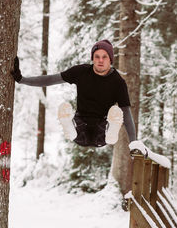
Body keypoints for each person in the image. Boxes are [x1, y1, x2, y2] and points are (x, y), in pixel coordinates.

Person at [11, 39, 146, 151]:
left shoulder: (118, 82)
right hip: (81, 127)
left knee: (115, 113)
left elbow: (126, 113)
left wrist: (133, 142)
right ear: (92, 58)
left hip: (101, 131)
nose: (100, 60)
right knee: (75, 122)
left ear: (110, 59)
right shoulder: (81, 72)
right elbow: (51, 79)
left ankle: (111, 132)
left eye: (104, 57)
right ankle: (70, 126)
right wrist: (22, 79)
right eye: (97, 56)